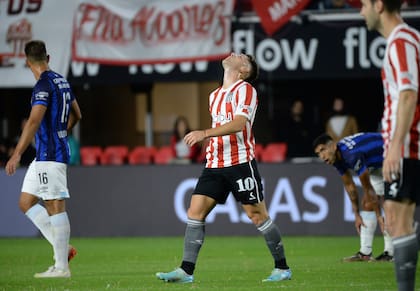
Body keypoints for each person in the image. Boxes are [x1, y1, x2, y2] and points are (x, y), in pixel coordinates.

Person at [156, 53, 292, 283]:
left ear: (243, 71)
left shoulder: (246, 89)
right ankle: (186, 271)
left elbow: (240, 124)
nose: (235, 54)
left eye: (243, 57)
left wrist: (204, 133)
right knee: (195, 211)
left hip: (240, 162)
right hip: (215, 163)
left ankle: (282, 268)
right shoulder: (214, 96)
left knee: (257, 215)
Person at [5, 40, 82, 278]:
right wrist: (62, 131)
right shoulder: (62, 81)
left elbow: (34, 121)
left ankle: (61, 267)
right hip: (47, 154)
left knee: (54, 205)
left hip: (50, 154)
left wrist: (17, 153)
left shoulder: (42, 86)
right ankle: (63, 249)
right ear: (47, 58)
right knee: (26, 203)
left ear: (27, 62)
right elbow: (78, 114)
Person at [360, 0, 420, 289]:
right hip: (406, 142)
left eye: (363, 4)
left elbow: (408, 95)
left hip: (408, 144)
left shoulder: (401, 41)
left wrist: (396, 145)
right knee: (398, 217)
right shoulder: (406, 39)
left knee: (399, 219)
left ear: (379, 5)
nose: (361, 11)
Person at [313, 133, 393, 262]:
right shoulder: (336, 158)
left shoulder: (352, 155)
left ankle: (390, 252)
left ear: (333, 146)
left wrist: (379, 217)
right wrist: (356, 215)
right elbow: (350, 186)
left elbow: (368, 189)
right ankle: (365, 253)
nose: (322, 156)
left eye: (323, 150)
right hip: (376, 165)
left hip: (393, 156)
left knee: (388, 203)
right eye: (318, 153)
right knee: (367, 203)